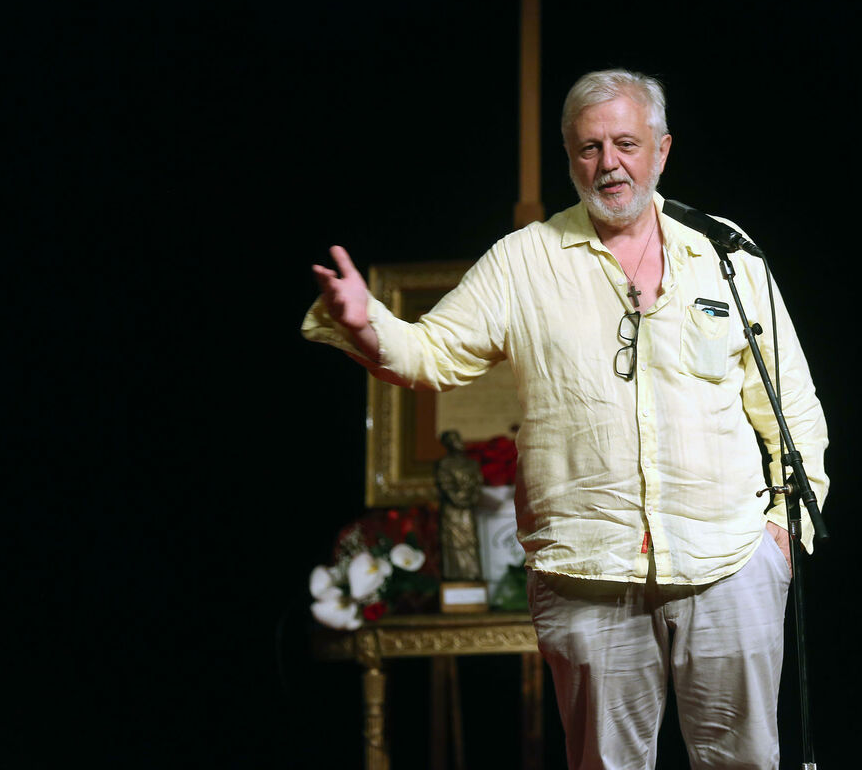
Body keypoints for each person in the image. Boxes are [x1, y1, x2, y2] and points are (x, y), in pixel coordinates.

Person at [303, 68, 829, 770]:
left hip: (729, 563)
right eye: (589, 147)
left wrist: (782, 532)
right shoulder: (523, 261)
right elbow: (431, 354)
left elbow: (791, 406)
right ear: (570, 157)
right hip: (587, 573)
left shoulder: (725, 254)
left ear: (662, 149)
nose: (609, 163)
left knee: (746, 763)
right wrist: (365, 323)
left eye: (625, 143)